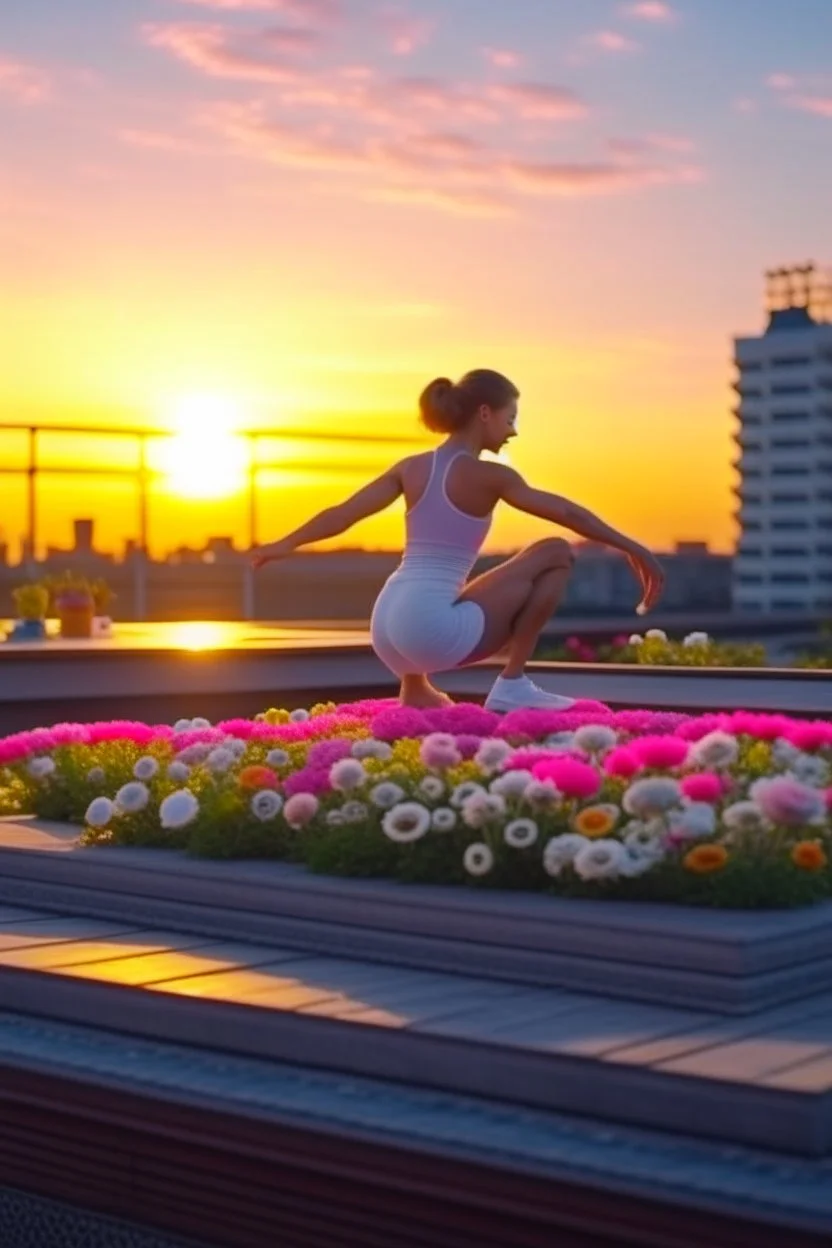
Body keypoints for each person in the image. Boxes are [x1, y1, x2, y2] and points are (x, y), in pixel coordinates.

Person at [252, 369, 665, 711]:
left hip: (387, 629)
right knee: (555, 551)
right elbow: (568, 513)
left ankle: (414, 689)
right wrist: (632, 546)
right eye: (510, 419)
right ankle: (513, 682)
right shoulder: (491, 476)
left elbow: (342, 515)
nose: (513, 432)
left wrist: (283, 545)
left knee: (449, 588)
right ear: (484, 414)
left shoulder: (411, 467)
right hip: (430, 631)